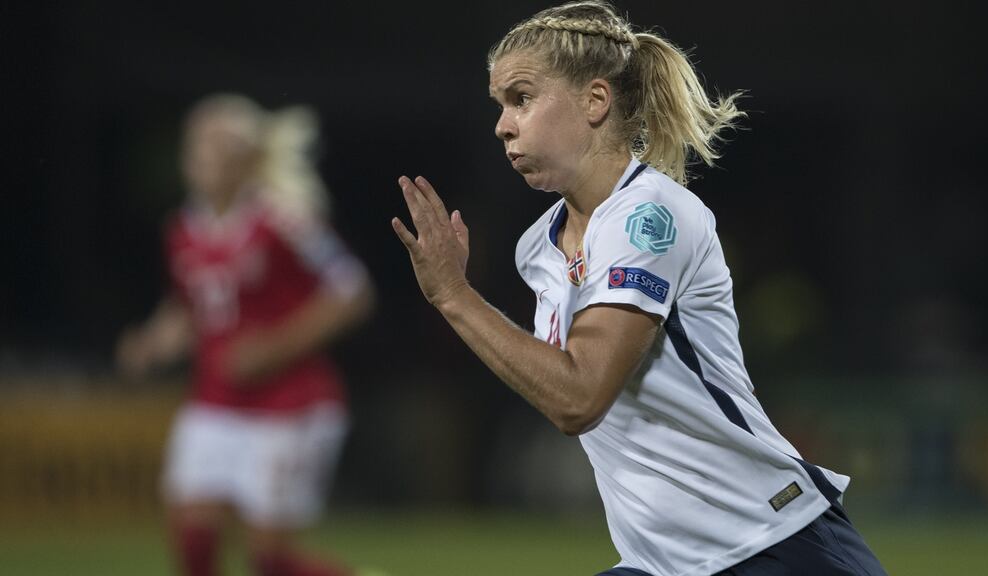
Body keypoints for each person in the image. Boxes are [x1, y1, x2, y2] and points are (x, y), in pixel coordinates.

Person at [391, 2, 888, 575]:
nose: (503, 124)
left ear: (595, 101)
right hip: (666, 562)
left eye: (521, 98)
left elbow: (579, 398)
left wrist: (454, 295)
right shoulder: (538, 246)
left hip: (770, 543)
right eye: (500, 105)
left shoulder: (650, 216)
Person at [117, 93, 375, 576]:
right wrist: (152, 342)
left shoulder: (285, 220)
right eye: (195, 144)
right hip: (215, 401)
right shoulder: (182, 228)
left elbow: (352, 292)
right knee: (193, 539)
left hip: (289, 404)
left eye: (215, 145)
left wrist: (274, 348)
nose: (200, 156)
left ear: (246, 158)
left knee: (270, 561)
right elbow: (194, 308)